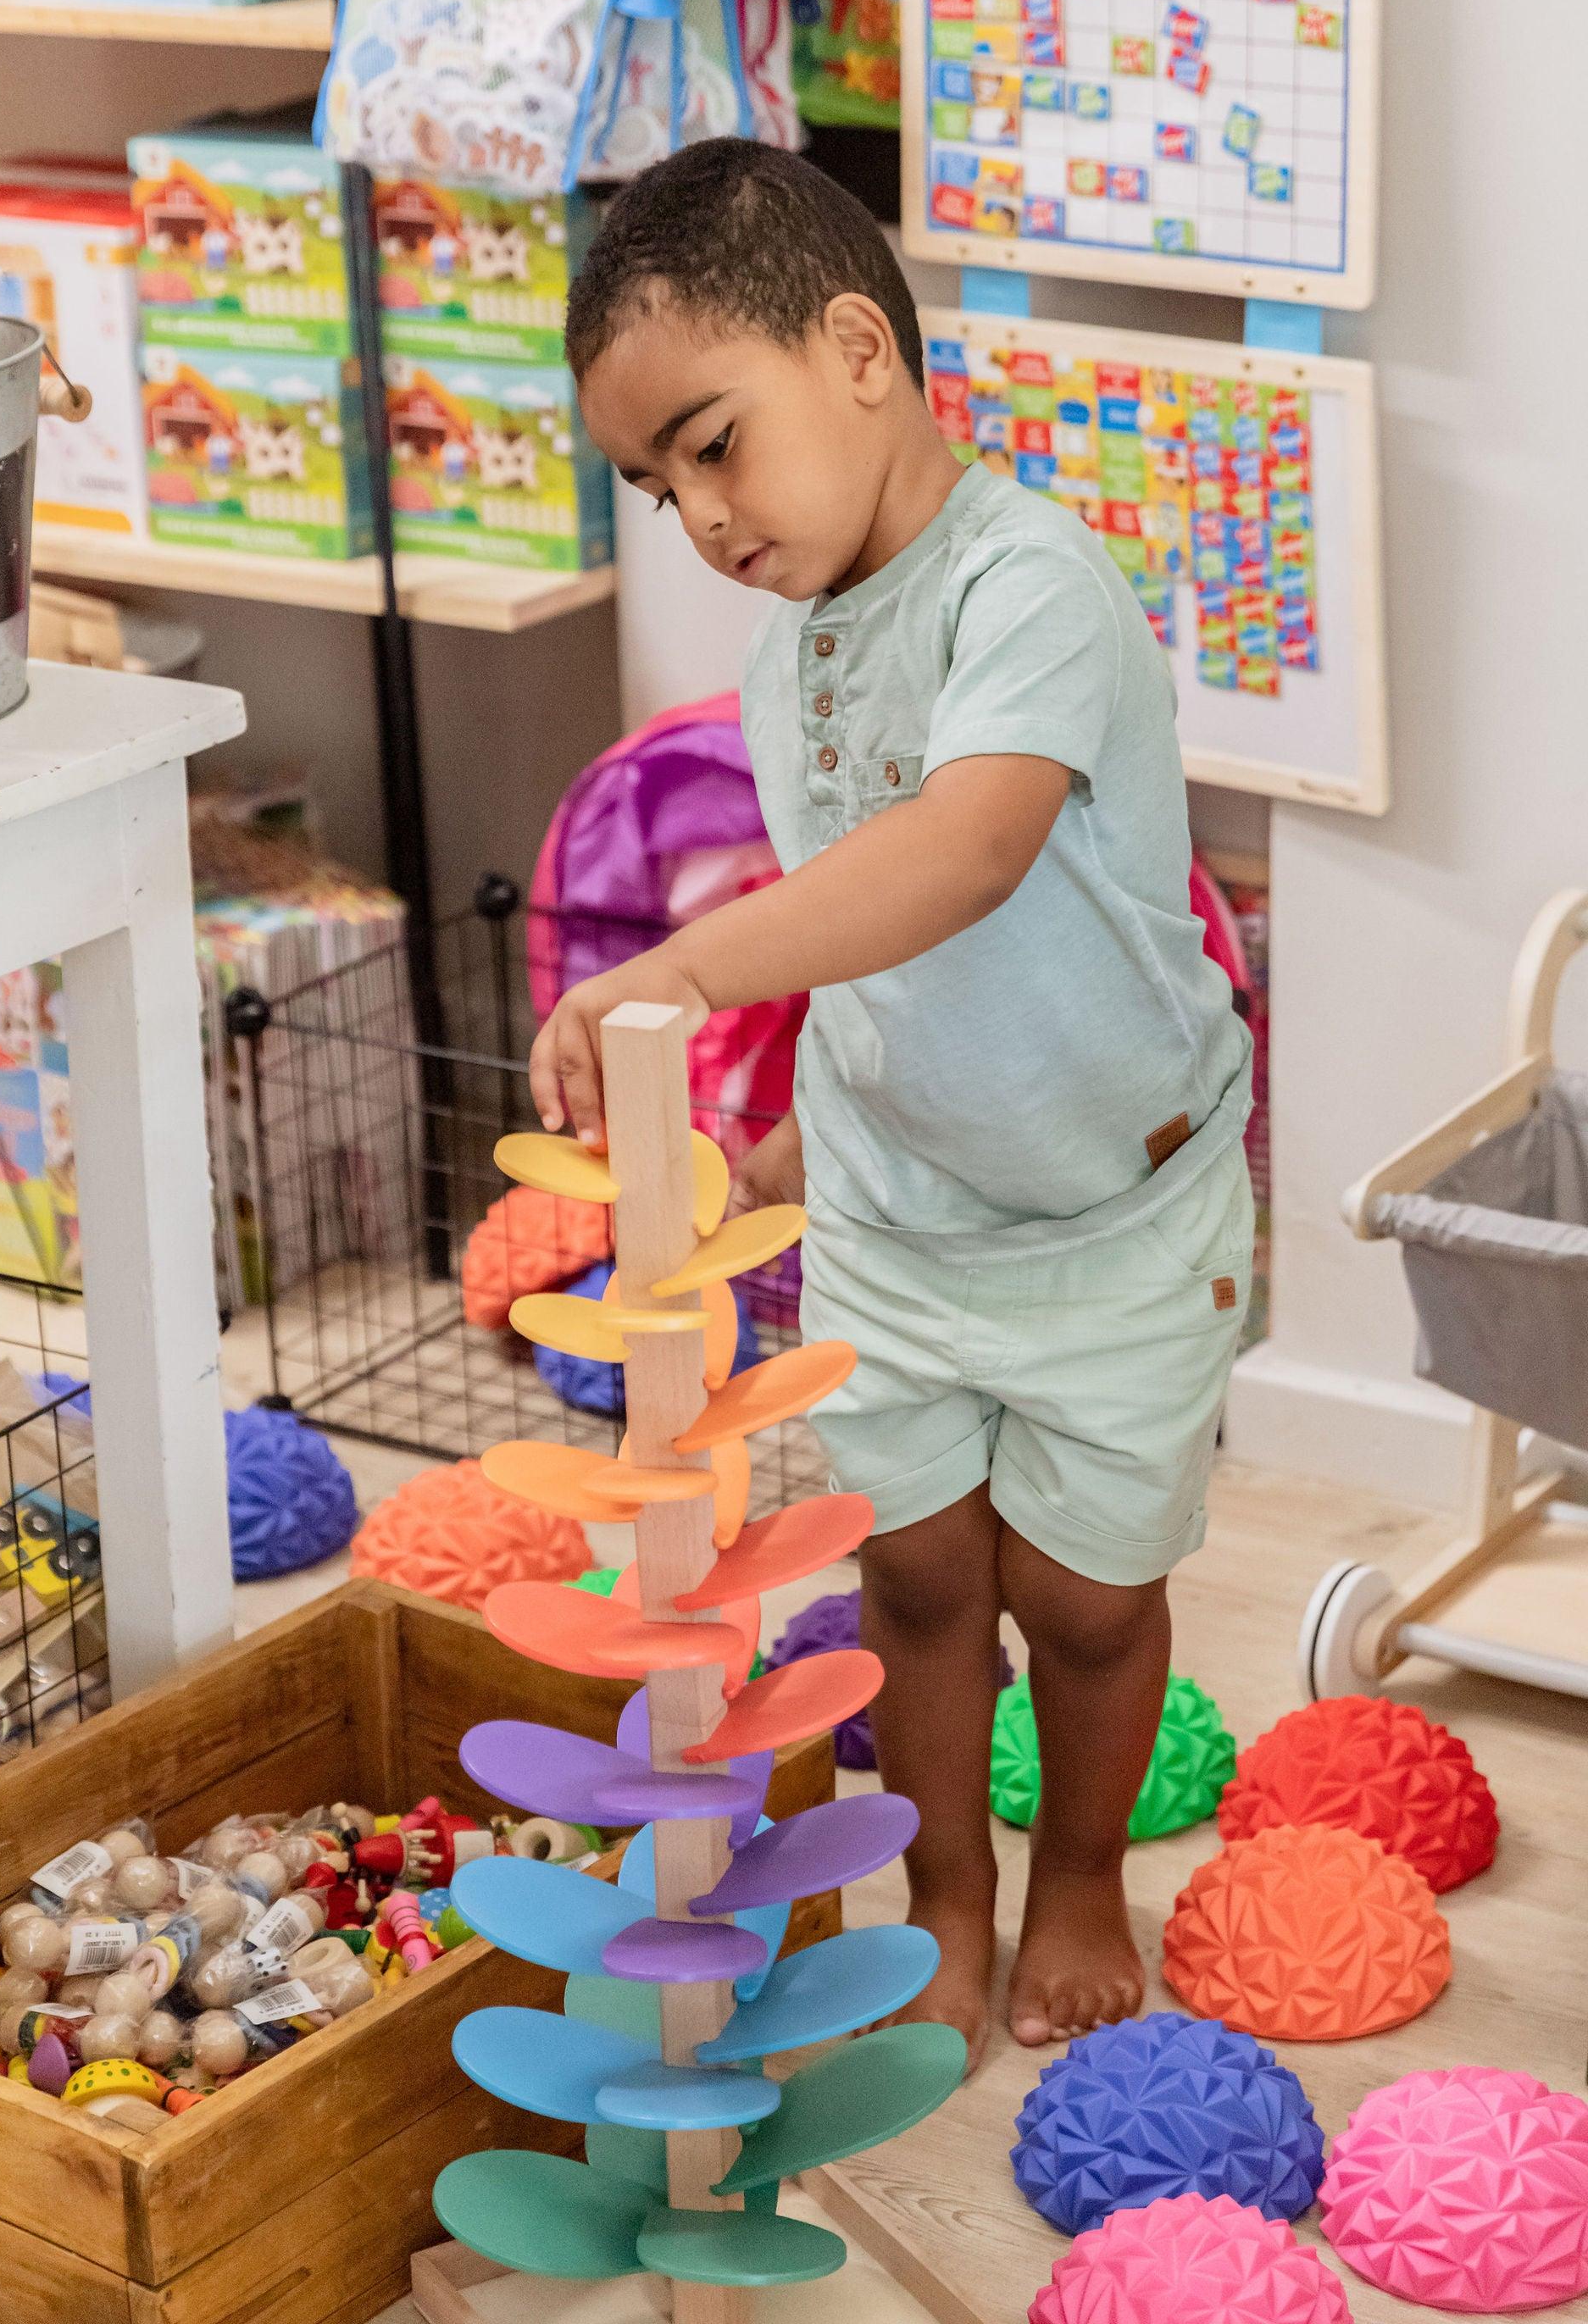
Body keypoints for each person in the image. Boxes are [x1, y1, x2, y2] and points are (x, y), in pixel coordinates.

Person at [535, 138, 1253, 2062]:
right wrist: (786, 1141)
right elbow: (875, 953)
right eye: (654, 482)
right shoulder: (794, 657)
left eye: (711, 442)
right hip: (896, 1210)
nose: (694, 512)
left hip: (1115, 1212)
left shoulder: (1034, 588)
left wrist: (681, 965)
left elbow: (959, 858)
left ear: (857, 348)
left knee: (1086, 1605)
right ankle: (947, 1895)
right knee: (923, 1580)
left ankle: (1080, 1871)